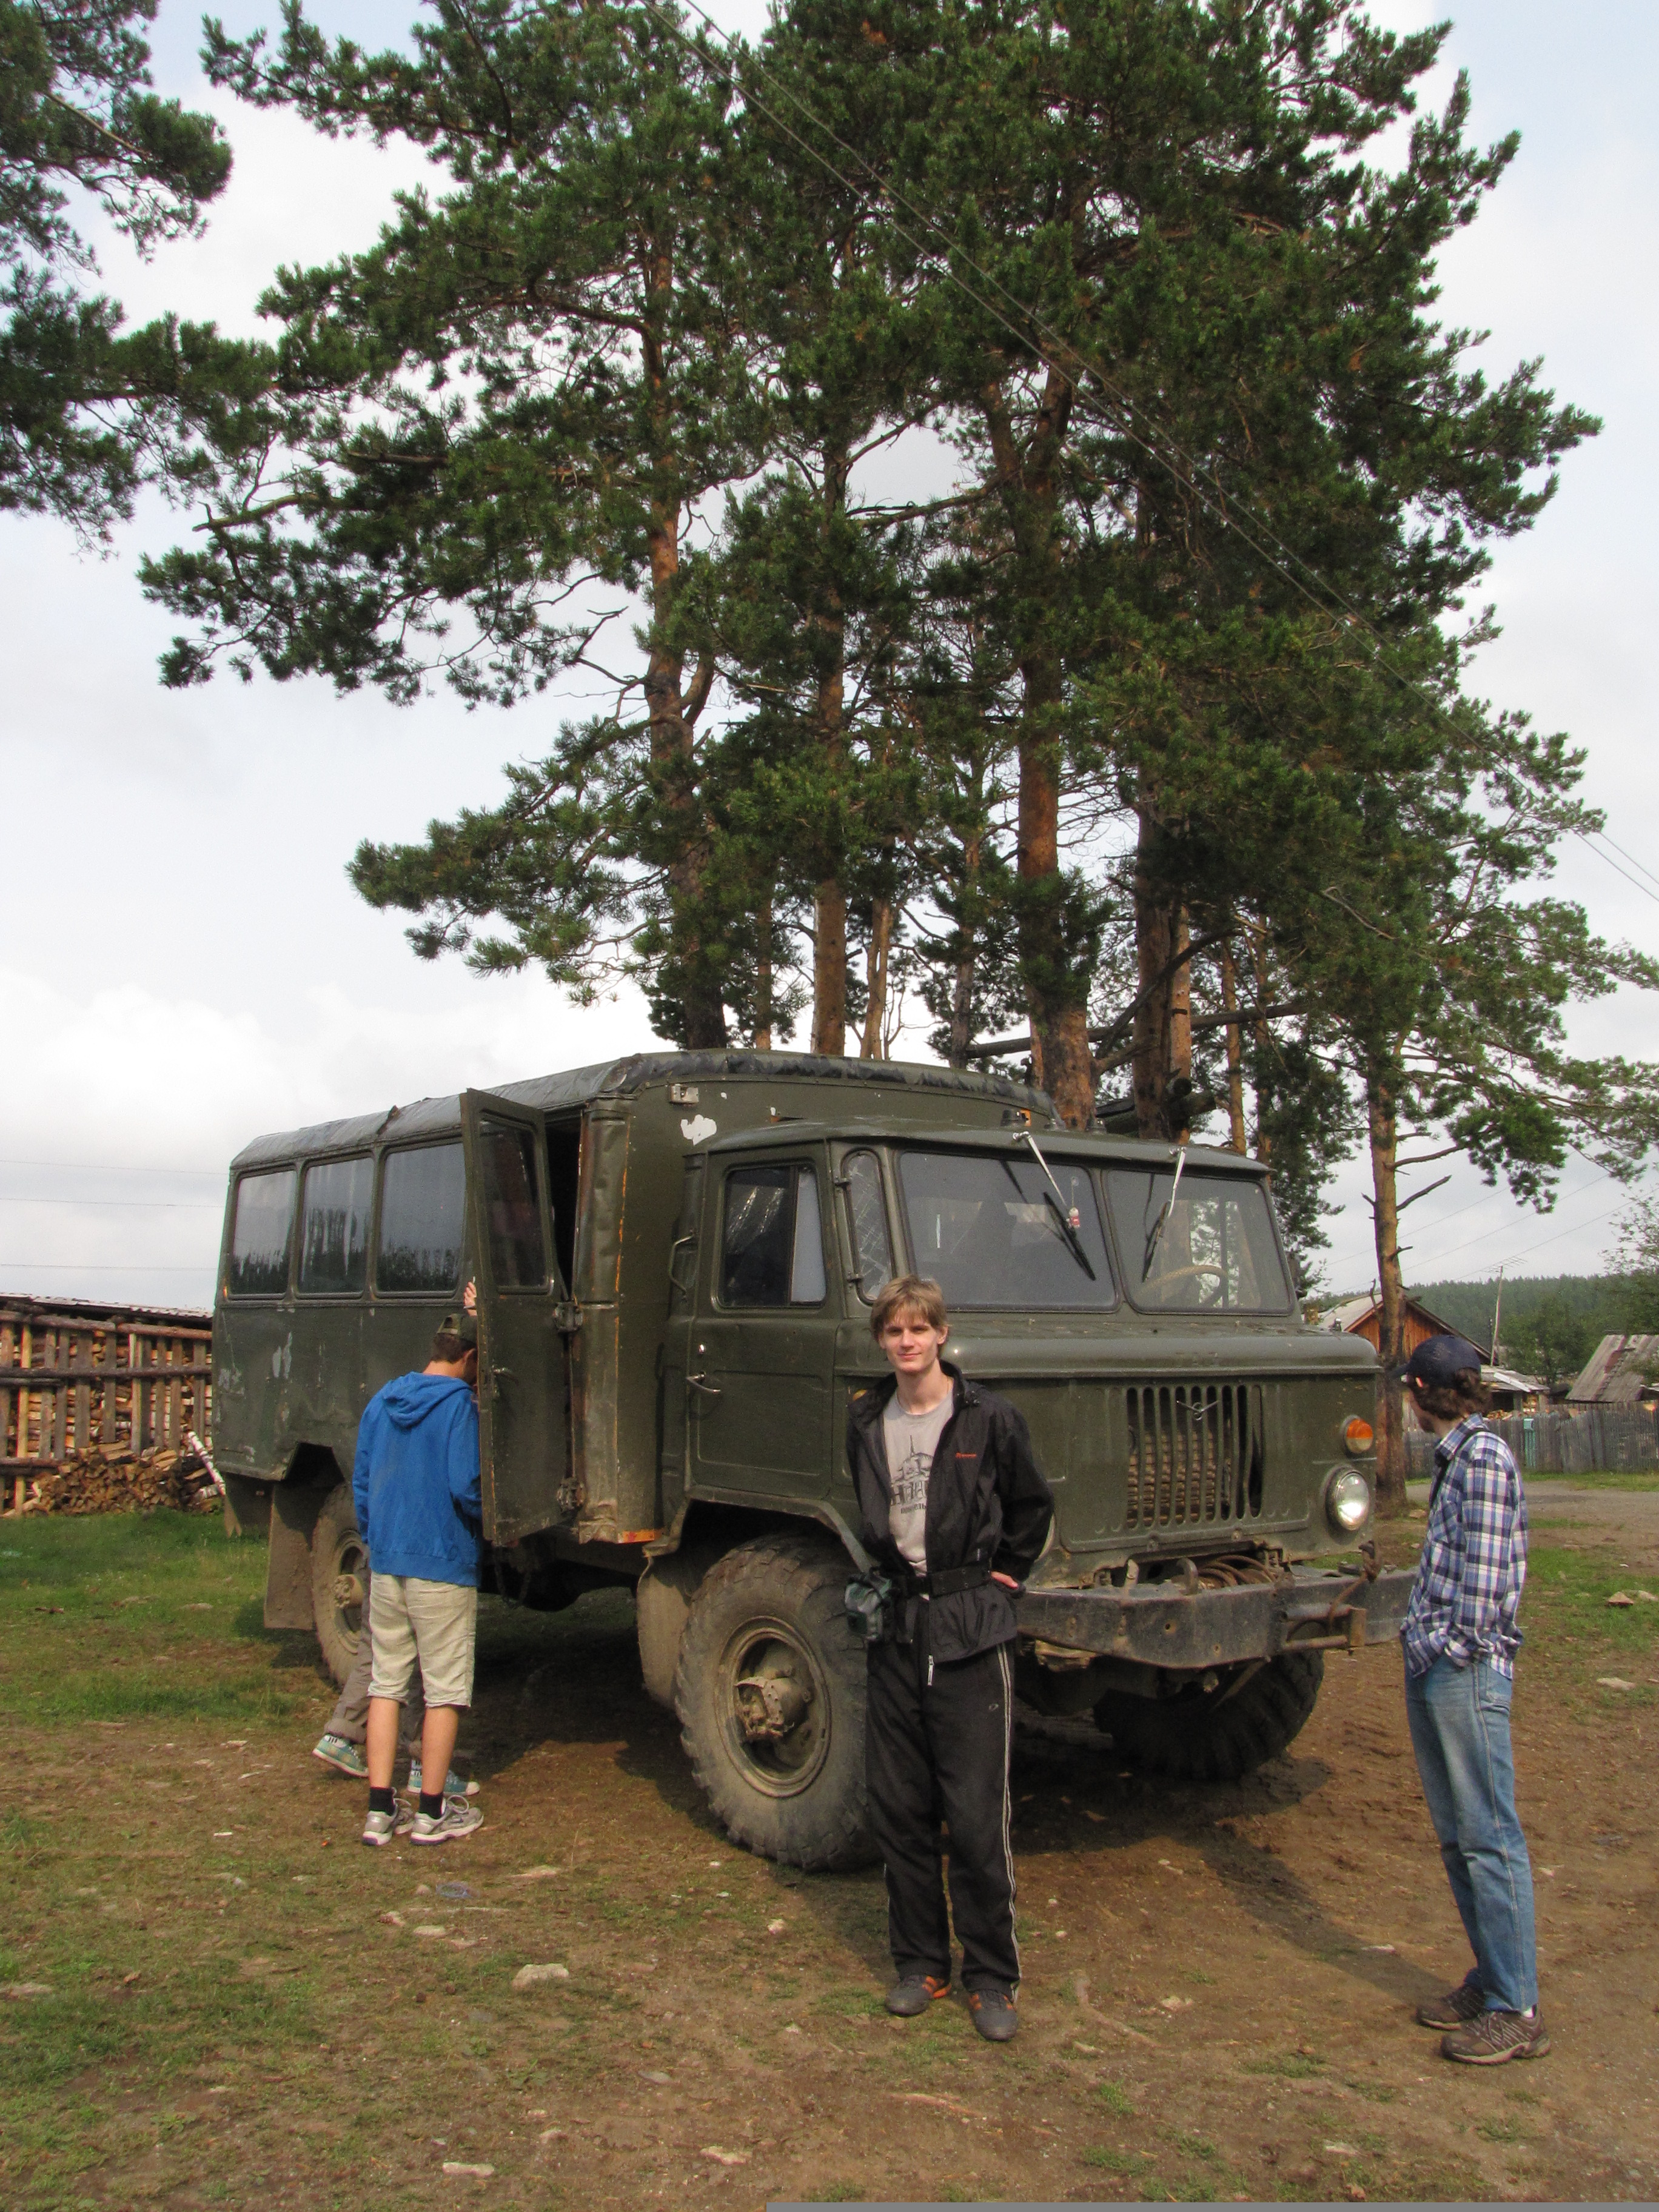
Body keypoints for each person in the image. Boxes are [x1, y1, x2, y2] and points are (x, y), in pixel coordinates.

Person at [846, 1274, 1053, 2043]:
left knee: (973, 1813)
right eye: (893, 1332)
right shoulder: (867, 1419)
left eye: (918, 1329)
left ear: (941, 1335)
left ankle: (992, 1976)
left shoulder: (988, 1417)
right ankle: (920, 1964)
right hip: (898, 1623)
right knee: (899, 1806)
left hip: (971, 1626)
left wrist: (1008, 1573)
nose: (906, 1342)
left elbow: (1031, 1505)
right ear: (883, 1342)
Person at [1400, 1333, 1547, 2064]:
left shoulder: (1482, 1461)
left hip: (1464, 1671)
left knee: (1490, 1837)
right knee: (1462, 1837)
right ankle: (1491, 1979)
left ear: (1422, 1394)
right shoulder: (1457, 1456)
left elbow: (1487, 1593)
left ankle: (1516, 2009)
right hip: (1437, 1664)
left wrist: (1448, 1656)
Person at [354, 1308, 488, 1847]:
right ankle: (432, 1813)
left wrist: (378, 1536)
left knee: (386, 1686)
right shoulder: (460, 1408)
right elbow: (466, 1486)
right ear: (471, 1358)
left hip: (387, 1564)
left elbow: (364, 1481)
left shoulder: (383, 1400)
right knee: (444, 1692)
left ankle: (380, 1812)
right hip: (442, 1563)